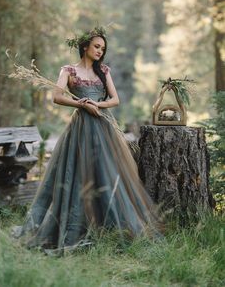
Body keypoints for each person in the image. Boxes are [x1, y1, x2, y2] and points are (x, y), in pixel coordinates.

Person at [11, 27, 163, 255]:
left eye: (103, 48)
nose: (100, 51)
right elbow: (57, 96)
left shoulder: (103, 70)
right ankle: (75, 227)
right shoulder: (69, 70)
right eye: (96, 46)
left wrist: (97, 105)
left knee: (107, 172)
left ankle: (111, 227)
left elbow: (115, 99)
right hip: (80, 126)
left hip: (103, 125)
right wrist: (82, 104)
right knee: (77, 173)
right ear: (85, 47)